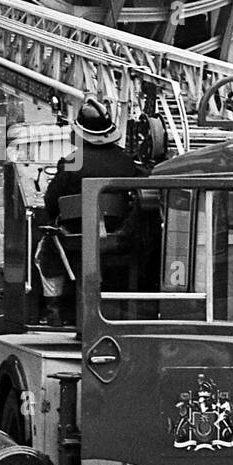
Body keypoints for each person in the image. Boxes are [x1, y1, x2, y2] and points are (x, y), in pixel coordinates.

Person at [39, 97, 140, 325]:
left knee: (43, 251)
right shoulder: (126, 161)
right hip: (117, 236)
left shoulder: (72, 161)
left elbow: (51, 202)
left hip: (77, 239)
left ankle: (53, 311)